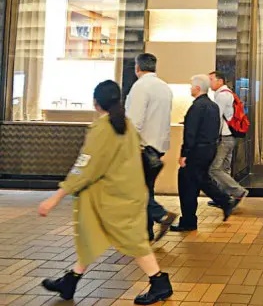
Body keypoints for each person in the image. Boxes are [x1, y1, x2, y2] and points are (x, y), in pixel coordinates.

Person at [38, 80, 173, 305]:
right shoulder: (126, 125)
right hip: (126, 194)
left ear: (96, 102)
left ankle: (159, 282)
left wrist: (56, 197)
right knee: (91, 235)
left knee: (133, 242)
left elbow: (85, 167)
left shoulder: (103, 129)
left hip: (111, 199)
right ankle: (70, 281)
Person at [171, 75, 232, 232]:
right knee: (201, 179)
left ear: (197, 88)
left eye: (192, 86)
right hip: (209, 149)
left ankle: (188, 221)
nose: (190, 88)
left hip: (196, 151)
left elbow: (190, 133)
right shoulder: (213, 106)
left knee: (187, 184)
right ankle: (224, 200)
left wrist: (184, 153)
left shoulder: (196, 107)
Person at [125, 53, 176, 242]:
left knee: (135, 190)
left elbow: (134, 121)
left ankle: (160, 215)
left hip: (142, 146)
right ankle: (145, 232)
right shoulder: (164, 87)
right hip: (158, 146)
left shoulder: (140, 87)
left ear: (137, 67)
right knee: (146, 188)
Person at [206, 71, 249, 208]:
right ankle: (224, 198)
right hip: (230, 136)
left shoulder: (222, 95)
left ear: (220, 81)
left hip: (224, 137)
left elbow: (216, 118)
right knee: (224, 168)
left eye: (211, 79)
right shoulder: (227, 93)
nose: (209, 82)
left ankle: (238, 192)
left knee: (214, 169)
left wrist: (212, 137)